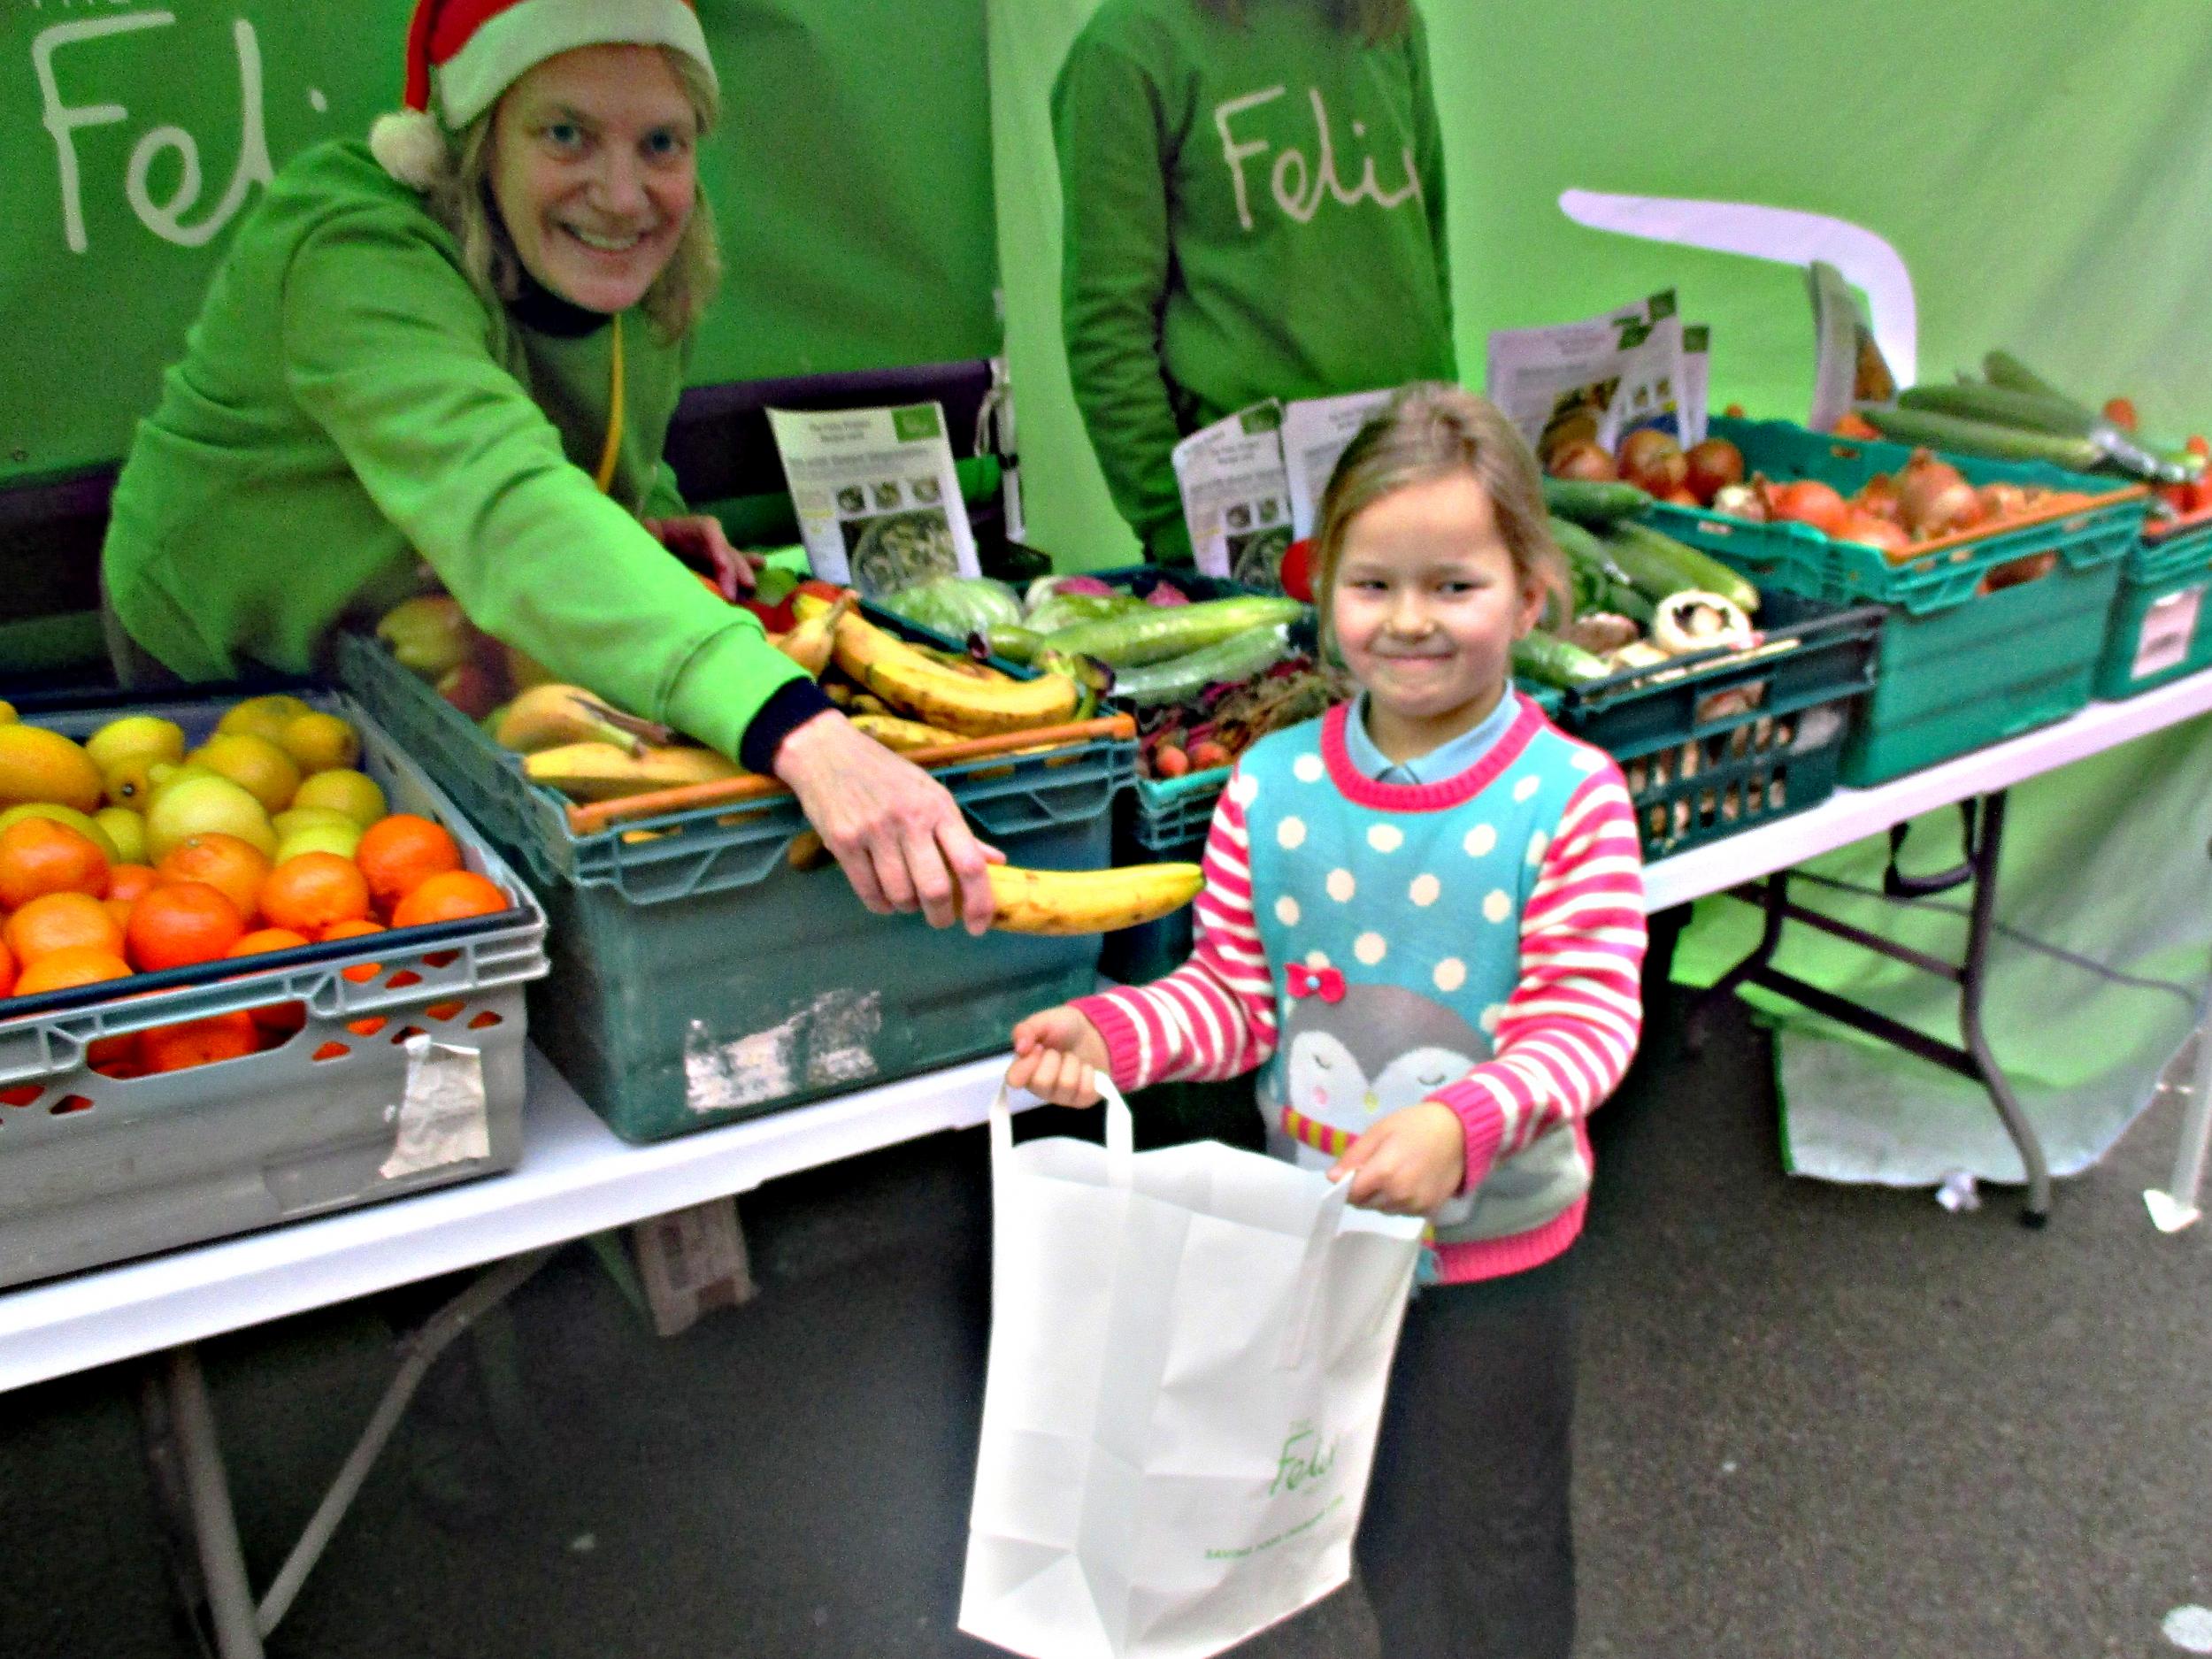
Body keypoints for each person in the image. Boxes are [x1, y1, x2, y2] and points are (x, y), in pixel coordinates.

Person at [98, 0, 996, 932]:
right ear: (474, 141)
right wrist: (798, 730)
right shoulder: (350, 246)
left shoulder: (654, 242)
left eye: (661, 142)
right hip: (238, 652)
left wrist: (640, 513)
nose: (621, 194)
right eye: (565, 134)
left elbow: (588, 431)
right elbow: (495, 489)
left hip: (430, 659)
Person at [1006, 385, 1647, 1657]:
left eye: (1454, 584)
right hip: (1322, 1253)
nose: (1409, 620)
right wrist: (1113, 1034)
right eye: (1373, 583)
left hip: (1493, 1276)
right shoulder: (1271, 784)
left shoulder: (1572, 798)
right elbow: (1237, 998)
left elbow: (1586, 1021)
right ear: (1324, 588)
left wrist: (1461, 1125)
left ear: (1532, 592)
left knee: (1499, 1548)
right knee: (1375, 1527)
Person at [1052, 0, 1455, 565]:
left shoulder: (1389, 21)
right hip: (1250, 531)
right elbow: (1107, 325)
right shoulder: (1128, 45)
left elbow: (1428, 258)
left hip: (1417, 488)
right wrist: (1179, 526)